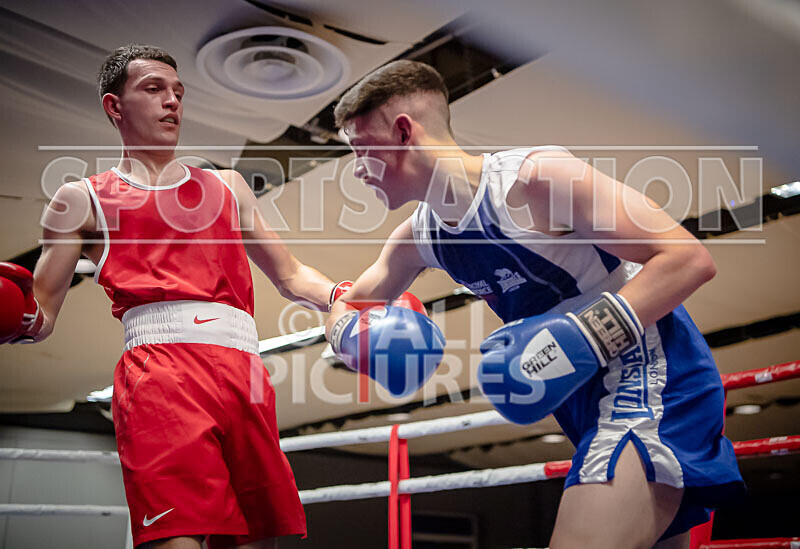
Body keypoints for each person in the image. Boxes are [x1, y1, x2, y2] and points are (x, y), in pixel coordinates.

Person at [325, 60, 745, 549]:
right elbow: (348, 305)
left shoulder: (536, 181)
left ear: (402, 132)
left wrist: (575, 337)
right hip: (583, 403)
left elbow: (687, 258)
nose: (357, 170)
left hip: (650, 380)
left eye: (362, 149)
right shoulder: (419, 238)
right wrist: (350, 336)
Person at [1, 44, 337, 549]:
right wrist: (16, 316)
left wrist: (345, 296)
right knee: (176, 540)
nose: (172, 102)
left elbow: (290, 275)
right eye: (154, 89)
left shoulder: (228, 187)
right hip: (160, 376)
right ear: (114, 106)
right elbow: (42, 314)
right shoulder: (81, 199)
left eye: (178, 92)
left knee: (258, 540)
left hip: (244, 374)